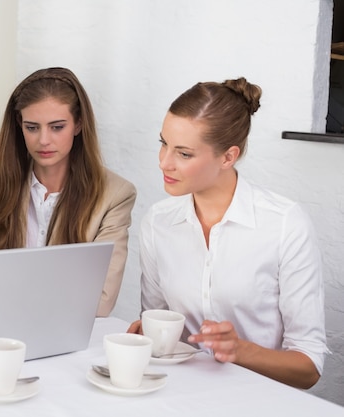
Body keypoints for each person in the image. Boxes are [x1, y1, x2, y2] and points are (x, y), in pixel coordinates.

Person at [127, 78, 328, 389]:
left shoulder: (284, 224)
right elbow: (160, 324)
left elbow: (309, 367)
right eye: (163, 143)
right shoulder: (158, 223)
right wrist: (148, 333)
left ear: (228, 157)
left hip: (259, 402)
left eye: (184, 154)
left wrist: (240, 350)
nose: (163, 162)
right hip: (179, 395)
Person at [0, 67, 136, 316]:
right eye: (32, 127)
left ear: (78, 124)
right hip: (0, 332)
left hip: (69, 337)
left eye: (57, 127)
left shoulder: (116, 194)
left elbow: (101, 301)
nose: (43, 140)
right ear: (19, 125)